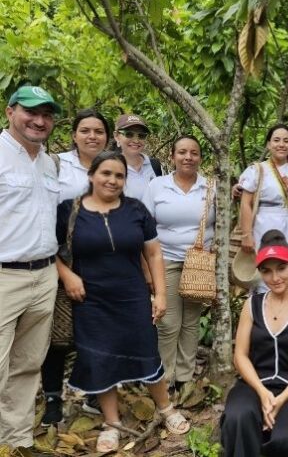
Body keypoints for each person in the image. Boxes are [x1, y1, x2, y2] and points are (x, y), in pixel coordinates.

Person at [56, 151, 188, 452]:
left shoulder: (136, 210)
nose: (112, 180)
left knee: (147, 351)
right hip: (90, 300)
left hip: (132, 296)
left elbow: (153, 253)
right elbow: (50, 249)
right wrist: (67, 275)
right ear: (92, 175)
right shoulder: (69, 210)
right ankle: (112, 422)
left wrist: (161, 294)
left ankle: (166, 408)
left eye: (119, 175)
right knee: (99, 358)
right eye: (106, 173)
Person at [220, 230, 288, 457]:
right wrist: (262, 392)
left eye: (281, 268)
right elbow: (240, 356)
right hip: (252, 385)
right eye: (266, 271)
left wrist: (280, 399)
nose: (275, 277)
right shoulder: (252, 305)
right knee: (238, 417)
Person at [0, 85, 61, 448]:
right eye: (31, 112)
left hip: (44, 275)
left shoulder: (49, 162)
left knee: (27, 364)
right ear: (10, 112)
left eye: (47, 115)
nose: (39, 121)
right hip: (4, 276)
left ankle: (16, 442)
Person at [41, 109, 110, 425]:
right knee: (58, 333)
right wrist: (63, 271)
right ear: (74, 135)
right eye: (85, 130)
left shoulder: (112, 166)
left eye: (98, 131)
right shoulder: (55, 165)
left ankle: (94, 392)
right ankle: (52, 398)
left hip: (103, 263)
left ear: (107, 137)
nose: (92, 136)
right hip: (62, 259)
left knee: (97, 331)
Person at [142, 135, 214, 391]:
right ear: (172, 156)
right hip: (166, 260)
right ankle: (165, 378)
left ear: (200, 158)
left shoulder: (210, 187)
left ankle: (184, 377)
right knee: (168, 322)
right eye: (182, 152)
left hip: (199, 264)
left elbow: (222, 225)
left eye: (194, 153)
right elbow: (144, 227)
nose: (188, 157)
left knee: (191, 323)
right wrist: (146, 269)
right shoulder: (157, 186)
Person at [238, 125, 288, 257]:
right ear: (268, 144)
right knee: (266, 263)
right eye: (276, 140)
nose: (281, 144)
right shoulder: (256, 170)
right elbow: (245, 203)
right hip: (264, 225)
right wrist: (246, 234)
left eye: (286, 141)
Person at [113, 113, 162, 200]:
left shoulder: (155, 165)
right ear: (116, 137)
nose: (136, 140)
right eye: (129, 134)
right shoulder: (109, 168)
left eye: (141, 135)